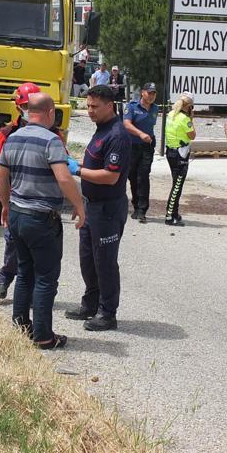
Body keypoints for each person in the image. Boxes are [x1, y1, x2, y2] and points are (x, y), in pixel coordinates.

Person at [0, 92, 86, 350]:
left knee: (24, 272)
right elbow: (64, 178)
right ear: (49, 113)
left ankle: (21, 326)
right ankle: (44, 336)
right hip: (42, 218)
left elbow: (1, 177)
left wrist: (5, 205)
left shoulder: (12, 139)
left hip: (17, 213)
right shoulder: (52, 141)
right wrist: (79, 205)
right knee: (46, 278)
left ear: (26, 112)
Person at [65, 85, 131, 331]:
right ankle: (90, 304)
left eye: (94, 107)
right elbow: (95, 162)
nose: (89, 111)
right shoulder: (101, 130)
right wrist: (81, 198)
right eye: (88, 106)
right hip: (92, 206)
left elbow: (109, 176)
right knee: (88, 259)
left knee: (105, 261)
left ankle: (107, 312)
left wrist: (78, 170)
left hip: (108, 209)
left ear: (109, 106)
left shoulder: (117, 135)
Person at [0, 82, 42, 299]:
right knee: (13, 242)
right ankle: (5, 277)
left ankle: (31, 290)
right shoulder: (7, 131)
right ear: (18, 107)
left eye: (33, 106)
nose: (29, 111)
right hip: (15, 196)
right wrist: (1, 185)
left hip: (40, 198)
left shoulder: (51, 132)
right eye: (26, 106)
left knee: (38, 248)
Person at [123, 82, 158, 223]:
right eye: (149, 93)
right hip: (132, 145)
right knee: (132, 175)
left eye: (154, 93)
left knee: (143, 176)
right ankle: (136, 206)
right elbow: (126, 124)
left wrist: (146, 137)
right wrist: (140, 134)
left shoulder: (155, 108)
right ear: (142, 92)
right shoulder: (132, 106)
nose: (151, 96)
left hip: (147, 146)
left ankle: (142, 210)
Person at [164, 93, 196, 226]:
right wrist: (191, 119)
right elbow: (193, 135)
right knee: (177, 186)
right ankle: (169, 216)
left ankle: (174, 212)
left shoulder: (171, 114)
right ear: (188, 106)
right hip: (180, 154)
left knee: (176, 183)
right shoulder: (185, 119)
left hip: (171, 152)